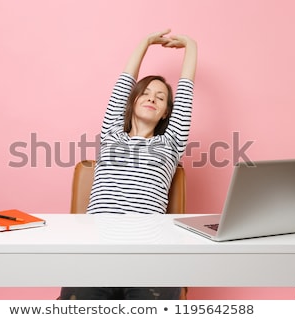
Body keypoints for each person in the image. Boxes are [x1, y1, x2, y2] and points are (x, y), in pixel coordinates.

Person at [60, 29, 197, 300]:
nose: (151, 98)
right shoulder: (112, 134)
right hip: (96, 252)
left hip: (148, 256)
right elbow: (124, 83)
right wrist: (145, 42)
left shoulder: (170, 143)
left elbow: (186, 93)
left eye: (160, 97)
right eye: (145, 93)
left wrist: (191, 46)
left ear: (166, 111)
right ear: (132, 101)